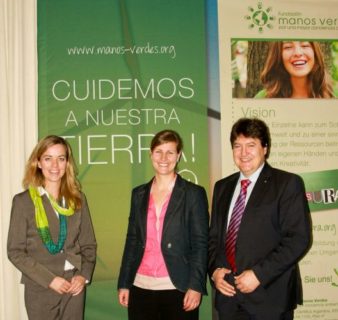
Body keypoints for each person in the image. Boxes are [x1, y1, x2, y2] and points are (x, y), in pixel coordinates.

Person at [208, 118, 312, 320]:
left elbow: (298, 239)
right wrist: (214, 271)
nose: (243, 153)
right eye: (237, 146)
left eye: (251, 145)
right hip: (228, 299)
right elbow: (213, 238)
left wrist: (259, 275)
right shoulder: (222, 187)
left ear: (265, 148)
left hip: (269, 298)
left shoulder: (287, 184)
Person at [117, 129, 209, 320]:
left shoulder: (193, 194)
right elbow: (132, 240)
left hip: (179, 288)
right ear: (151, 154)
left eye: (170, 152)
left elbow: (201, 244)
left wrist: (196, 285)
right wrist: (124, 282)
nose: (164, 158)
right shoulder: (138, 194)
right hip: (140, 286)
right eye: (158, 151)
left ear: (179, 155)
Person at [7, 135, 97, 320]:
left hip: (74, 287)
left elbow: (89, 245)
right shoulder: (23, 202)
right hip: (41, 288)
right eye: (48, 158)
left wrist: (82, 276)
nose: (55, 165)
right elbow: (15, 252)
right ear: (38, 163)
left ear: (67, 163)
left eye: (61, 158)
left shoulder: (78, 200)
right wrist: (50, 280)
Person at [255, 41, 335, 98]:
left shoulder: (335, 94)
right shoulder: (263, 98)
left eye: (305, 45)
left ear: (315, 53)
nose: (298, 53)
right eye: (288, 47)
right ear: (279, 56)